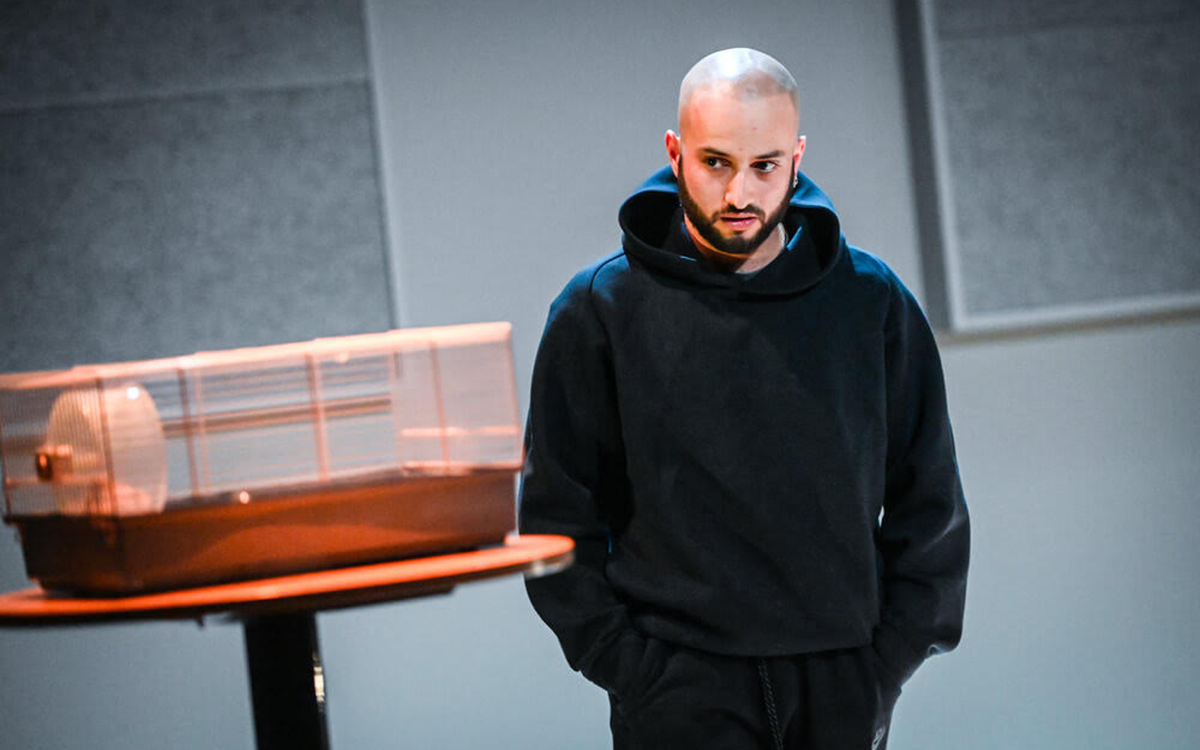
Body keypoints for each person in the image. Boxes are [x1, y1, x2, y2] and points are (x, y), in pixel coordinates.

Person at [518, 47, 969, 750]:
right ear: (675, 153)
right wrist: (636, 676)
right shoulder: (599, 310)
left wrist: (881, 672)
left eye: (764, 165)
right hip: (677, 698)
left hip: (842, 690)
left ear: (797, 155)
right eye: (716, 162)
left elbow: (929, 505)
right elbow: (554, 523)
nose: (740, 194)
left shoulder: (870, 302)